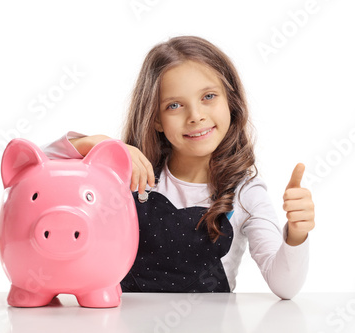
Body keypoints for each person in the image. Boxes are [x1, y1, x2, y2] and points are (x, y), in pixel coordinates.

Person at [42, 36, 315, 299]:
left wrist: (296, 232)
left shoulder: (246, 192)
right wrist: (97, 144)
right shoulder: (130, 174)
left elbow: (285, 286)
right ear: (156, 119)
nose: (196, 116)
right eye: (174, 105)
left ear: (230, 102)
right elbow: (41, 167)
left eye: (208, 96)